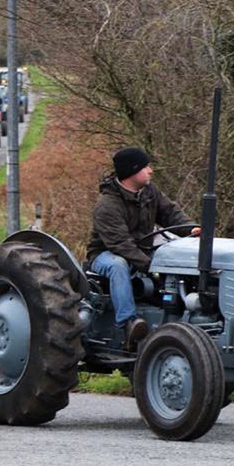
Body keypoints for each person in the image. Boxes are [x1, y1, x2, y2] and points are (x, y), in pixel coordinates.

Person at [86, 147, 197, 348]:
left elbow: (170, 213)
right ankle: (128, 324)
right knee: (118, 266)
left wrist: (192, 230)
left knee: (177, 257)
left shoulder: (150, 192)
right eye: (145, 166)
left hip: (141, 251)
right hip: (106, 254)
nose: (151, 170)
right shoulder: (107, 206)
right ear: (131, 171)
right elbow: (120, 244)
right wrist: (150, 265)